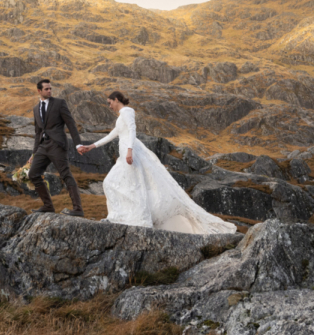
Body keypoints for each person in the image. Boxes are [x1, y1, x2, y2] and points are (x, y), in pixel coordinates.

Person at [77, 91, 237, 235]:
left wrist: (130, 150)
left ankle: (134, 218)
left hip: (130, 153)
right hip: (125, 154)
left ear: (116, 99)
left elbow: (132, 130)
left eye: (109, 102)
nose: (109, 105)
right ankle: (123, 216)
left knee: (124, 185)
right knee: (116, 184)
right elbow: (112, 134)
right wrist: (91, 146)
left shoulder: (127, 112)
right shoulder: (121, 115)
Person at [29, 78, 85, 216]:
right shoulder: (36, 109)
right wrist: (34, 153)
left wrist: (78, 144)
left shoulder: (59, 103)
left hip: (57, 145)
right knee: (33, 174)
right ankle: (48, 206)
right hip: (42, 146)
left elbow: (71, 124)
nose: (49, 91)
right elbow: (38, 132)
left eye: (50, 88)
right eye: (46, 89)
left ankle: (78, 209)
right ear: (39, 91)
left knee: (66, 175)